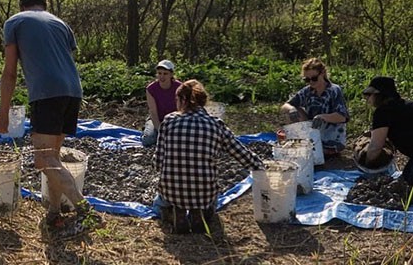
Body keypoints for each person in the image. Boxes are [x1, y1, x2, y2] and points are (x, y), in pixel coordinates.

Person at [0, 0, 102, 239]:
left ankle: (85, 210)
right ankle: (54, 215)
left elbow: (10, 72)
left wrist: (4, 114)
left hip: (47, 92)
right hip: (73, 91)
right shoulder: (61, 24)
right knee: (53, 157)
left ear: (22, 6)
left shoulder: (15, 22)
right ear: (44, 5)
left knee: (43, 160)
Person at [154, 79, 264, 234]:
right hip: (204, 191)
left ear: (183, 101)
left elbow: (158, 162)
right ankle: (199, 213)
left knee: (158, 201)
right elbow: (241, 153)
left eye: (177, 100)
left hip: (172, 190)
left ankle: (176, 210)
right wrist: (262, 167)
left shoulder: (168, 121)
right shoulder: (216, 124)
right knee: (208, 193)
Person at [280, 57, 349, 156]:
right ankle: (306, 143)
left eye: (314, 78)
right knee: (295, 108)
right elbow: (284, 106)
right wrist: (291, 109)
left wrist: (323, 117)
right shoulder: (307, 91)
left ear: (323, 74)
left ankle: (317, 148)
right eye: (307, 79)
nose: (311, 82)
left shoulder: (334, 90)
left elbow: (342, 117)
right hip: (312, 133)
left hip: (332, 138)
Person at [356, 76, 413, 184]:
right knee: (405, 179)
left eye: (369, 94)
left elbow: (376, 147)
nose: (366, 98)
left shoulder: (383, 112)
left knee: (406, 186)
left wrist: (366, 165)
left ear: (379, 94)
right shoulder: (407, 106)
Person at [142, 60, 182, 147]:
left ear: (171, 74)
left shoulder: (179, 87)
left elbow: (182, 109)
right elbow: (153, 112)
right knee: (148, 140)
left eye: (165, 73)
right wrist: (161, 131)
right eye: (159, 73)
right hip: (157, 119)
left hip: (175, 120)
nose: (162, 76)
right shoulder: (151, 89)